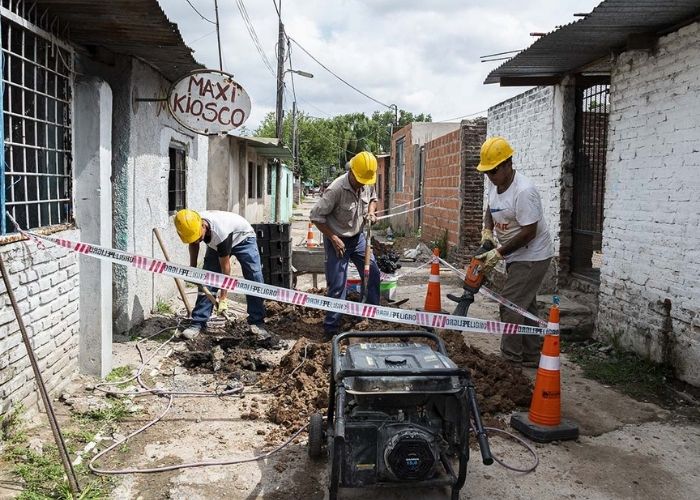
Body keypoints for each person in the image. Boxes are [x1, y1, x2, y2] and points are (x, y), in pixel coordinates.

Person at [475, 137, 554, 366]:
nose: (490, 176)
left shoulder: (525, 191)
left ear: (508, 164)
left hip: (532, 254)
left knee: (509, 303)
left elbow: (529, 231)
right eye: (487, 172)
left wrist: (498, 253)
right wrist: (487, 232)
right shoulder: (495, 183)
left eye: (494, 170)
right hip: (514, 252)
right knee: (525, 305)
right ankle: (530, 356)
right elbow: (490, 208)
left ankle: (509, 360)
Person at [310, 151, 381, 336]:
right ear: (351, 172)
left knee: (373, 273)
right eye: (359, 179)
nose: (362, 184)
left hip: (358, 238)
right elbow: (315, 217)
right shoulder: (336, 189)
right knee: (338, 283)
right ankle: (331, 328)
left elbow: (373, 198)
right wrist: (333, 238)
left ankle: (370, 316)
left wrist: (372, 212)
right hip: (337, 240)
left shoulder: (367, 181)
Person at [173, 209, 268, 340]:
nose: (197, 240)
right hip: (217, 243)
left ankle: (257, 322)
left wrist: (223, 297)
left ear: (203, 226)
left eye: (198, 237)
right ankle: (198, 322)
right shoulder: (191, 224)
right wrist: (193, 270)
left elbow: (226, 269)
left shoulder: (220, 232)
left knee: (254, 278)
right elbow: (193, 244)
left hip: (244, 238)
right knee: (207, 279)